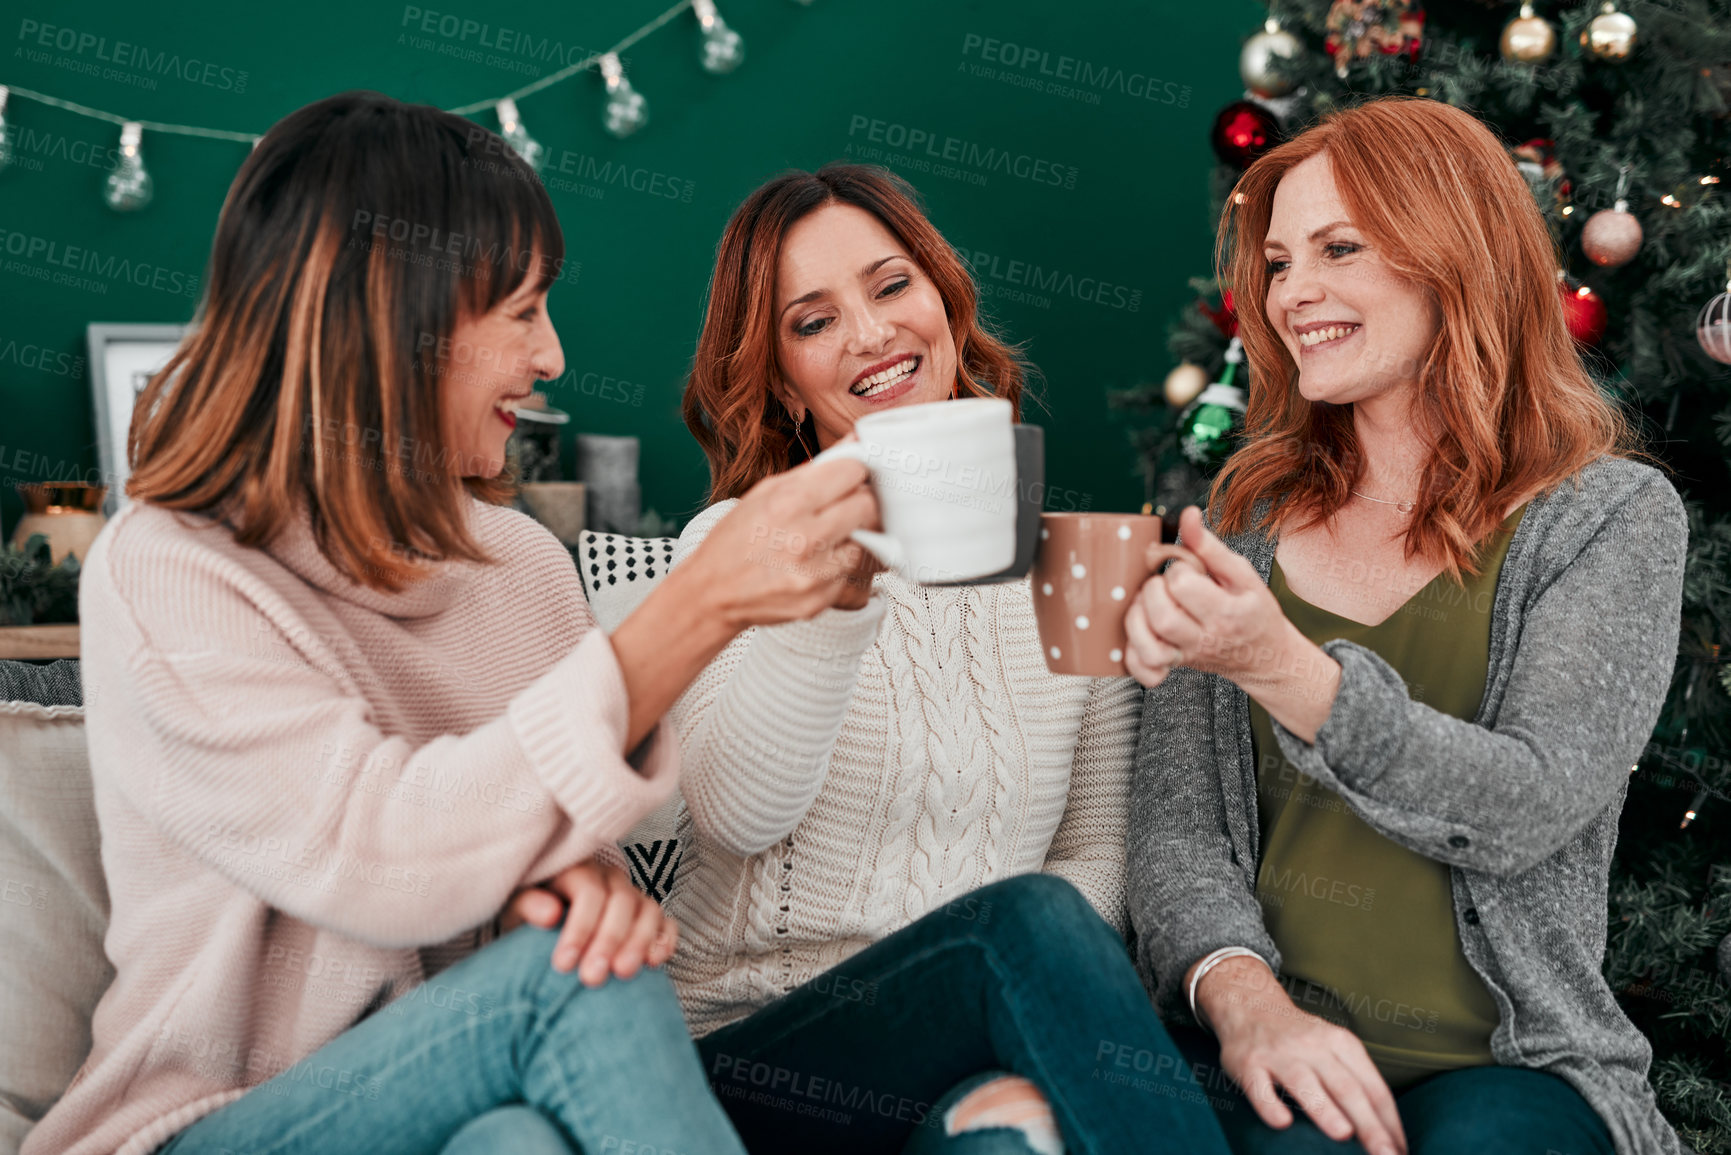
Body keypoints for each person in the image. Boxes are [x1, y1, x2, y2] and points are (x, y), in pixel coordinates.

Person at [26, 92, 881, 1155]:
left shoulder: (520, 567)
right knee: (558, 988)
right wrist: (698, 609)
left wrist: (572, 896)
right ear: (397, 317)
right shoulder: (169, 571)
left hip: (466, 1099)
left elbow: (564, 869)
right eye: (522, 311)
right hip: (218, 1125)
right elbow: (375, 849)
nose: (555, 356)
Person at [1121, 97, 1686, 1155]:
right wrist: (1251, 1010)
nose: (1294, 294)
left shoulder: (1608, 517)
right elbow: (1177, 836)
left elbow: (1529, 802)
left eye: (1340, 249)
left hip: (1513, 1064)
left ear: (1454, 255)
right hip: (1279, 1054)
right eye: (1280, 263)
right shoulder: (1245, 523)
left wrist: (1285, 669)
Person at [645, 162, 1233, 1155]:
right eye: (813, 321)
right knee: (1028, 926)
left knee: (1010, 1143)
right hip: (762, 1056)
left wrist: (999, 1024)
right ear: (783, 380)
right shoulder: (736, 542)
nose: (871, 335)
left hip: (978, 1037)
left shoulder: (1077, 563)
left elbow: (1096, 854)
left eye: (890, 287)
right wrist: (843, 587)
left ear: (946, 303)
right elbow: (738, 819)